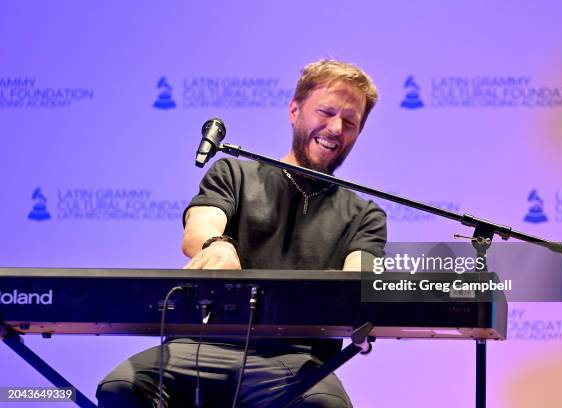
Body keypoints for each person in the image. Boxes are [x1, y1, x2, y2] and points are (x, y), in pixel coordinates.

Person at [96, 59, 387, 408]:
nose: (336, 128)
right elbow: (198, 229)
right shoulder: (234, 173)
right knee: (122, 387)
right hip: (200, 346)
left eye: (350, 122)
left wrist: (353, 290)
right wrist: (216, 244)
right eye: (326, 112)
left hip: (296, 361)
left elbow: (359, 278)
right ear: (295, 110)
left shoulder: (365, 214)